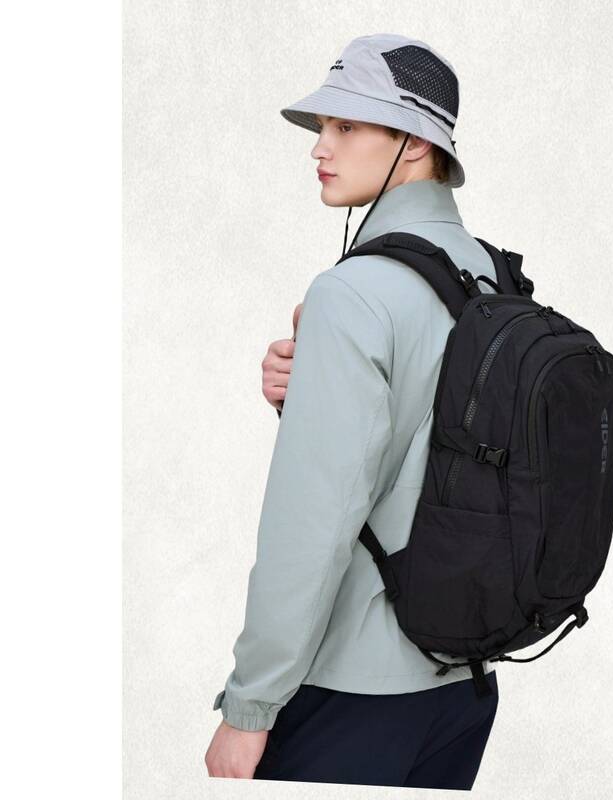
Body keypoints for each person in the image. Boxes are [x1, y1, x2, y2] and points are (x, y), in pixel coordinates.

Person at [205, 33, 501, 789]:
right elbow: (437, 448)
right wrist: (305, 400)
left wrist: (249, 707)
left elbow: (312, 522)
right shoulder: (489, 274)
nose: (319, 147)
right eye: (322, 127)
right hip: (463, 686)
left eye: (345, 125)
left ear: (415, 141)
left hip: (353, 692)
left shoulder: (352, 291)